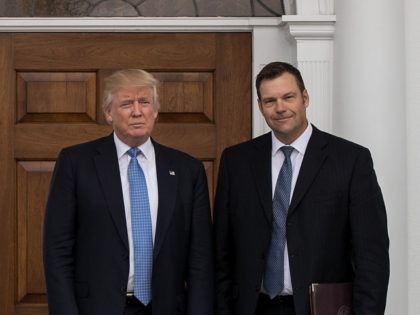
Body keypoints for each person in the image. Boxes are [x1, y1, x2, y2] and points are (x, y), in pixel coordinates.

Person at [214, 61, 389, 315]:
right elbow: (222, 252)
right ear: (260, 106)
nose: (280, 108)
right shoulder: (236, 161)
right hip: (253, 307)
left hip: (321, 308)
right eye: (270, 101)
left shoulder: (351, 160)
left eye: (288, 97)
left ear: (305, 98)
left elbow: (372, 258)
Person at [43, 69, 214, 315]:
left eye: (144, 102)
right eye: (126, 103)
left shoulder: (188, 170)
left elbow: (200, 260)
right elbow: (57, 250)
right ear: (108, 113)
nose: (137, 111)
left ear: (155, 110)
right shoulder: (76, 163)